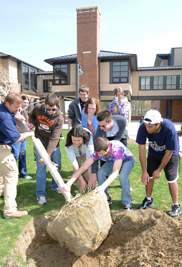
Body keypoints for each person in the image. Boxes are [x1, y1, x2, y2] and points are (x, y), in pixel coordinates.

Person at [62, 137, 135, 210]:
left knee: (122, 177)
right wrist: (68, 184)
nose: (98, 155)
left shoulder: (117, 150)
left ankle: (127, 202)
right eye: (97, 153)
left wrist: (102, 187)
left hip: (127, 160)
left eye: (100, 153)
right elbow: (83, 167)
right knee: (100, 173)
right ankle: (105, 198)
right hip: (112, 161)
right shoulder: (97, 152)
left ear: (107, 149)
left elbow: (115, 172)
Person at [136, 109, 181, 218]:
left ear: (158, 124)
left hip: (171, 154)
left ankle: (176, 205)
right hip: (154, 153)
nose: (147, 128)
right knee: (149, 177)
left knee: (171, 178)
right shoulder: (143, 127)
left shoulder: (168, 128)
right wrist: (144, 171)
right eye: (146, 125)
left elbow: (169, 151)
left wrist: (159, 169)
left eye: (150, 126)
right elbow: (141, 150)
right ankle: (148, 199)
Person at [0, 93, 34, 218]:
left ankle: (2, 191)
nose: (18, 109)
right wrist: (29, 133)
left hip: (2, 146)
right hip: (1, 147)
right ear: (8, 103)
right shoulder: (4, 117)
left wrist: (16, 117)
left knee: (4, 171)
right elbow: (16, 138)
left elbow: (11, 117)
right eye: (16, 107)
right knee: (12, 172)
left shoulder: (4, 109)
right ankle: (10, 210)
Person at [28, 93, 64, 205]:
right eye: (48, 109)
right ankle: (41, 194)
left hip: (54, 146)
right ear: (45, 104)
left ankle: (55, 185)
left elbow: (54, 138)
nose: (50, 111)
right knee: (41, 168)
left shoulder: (59, 118)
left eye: (53, 109)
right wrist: (31, 122)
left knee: (56, 166)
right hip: (39, 143)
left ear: (57, 106)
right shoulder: (38, 108)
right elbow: (32, 114)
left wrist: (48, 153)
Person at [65, 125, 95, 192]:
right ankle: (81, 190)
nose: (76, 142)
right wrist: (82, 181)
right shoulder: (68, 142)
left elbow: (89, 162)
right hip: (76, 154)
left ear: (83, 138)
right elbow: (74, 164)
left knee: (87, 170)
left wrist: (91, 178)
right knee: (77, 172)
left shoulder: (88, 137)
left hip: (86, 152)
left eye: (79, 140)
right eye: (74, 140)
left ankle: (91, 189)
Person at [11, 95, 32, 179]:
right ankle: (11, 172)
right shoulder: (15, 111)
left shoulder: (24, 111)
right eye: (24, 102)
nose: (26, 104)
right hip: (17, 136)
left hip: (24, 136)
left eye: (27, 102)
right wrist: (16, 115)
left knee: (22, 154)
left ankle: (23, 173)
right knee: (15, 155)